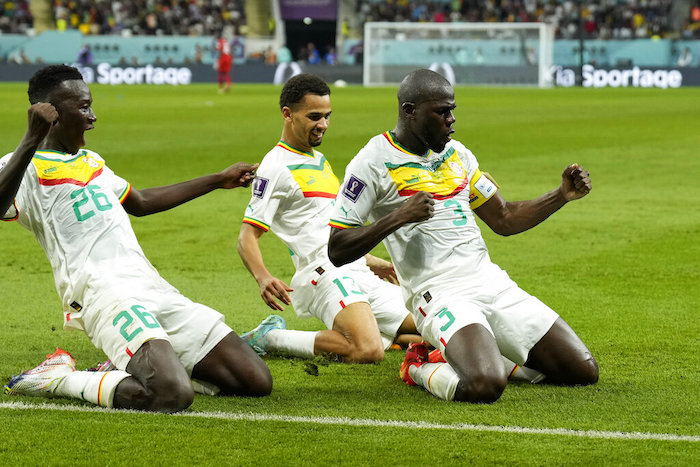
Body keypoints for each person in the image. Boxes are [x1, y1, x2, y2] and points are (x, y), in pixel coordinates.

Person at [1, 65, 271, 413]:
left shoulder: (92, 161)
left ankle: (129, 367)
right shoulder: (23, 166)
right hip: (102, 294)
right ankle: (58, 378)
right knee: (172, 395)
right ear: (50, 113)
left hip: (150, 285)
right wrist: (30, 138)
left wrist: (218, 179)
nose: (93, 117)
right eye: (83, 107)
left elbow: (140, 203)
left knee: (255, 380)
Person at [327, 68, 598, 403]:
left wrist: (561, 195)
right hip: (438, 294)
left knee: (583, 371)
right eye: (442, 111)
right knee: (485, 385)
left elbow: (504, 218)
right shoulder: (372, 162)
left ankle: (489, 353)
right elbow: (337, 248)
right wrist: (398, 217)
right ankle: (419, 364)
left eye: (452, 109)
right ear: (410, 111)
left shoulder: (458, 154)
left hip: (488, 282)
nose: (452, 119)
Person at [237, 73, 421, 363]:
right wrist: (263, 277)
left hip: (355, 269)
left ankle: (382, 334)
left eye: (327, 116)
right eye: (314, 116)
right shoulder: (275, 166)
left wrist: (371, 261)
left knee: (428, 323)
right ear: (288, 114)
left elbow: (322, 225)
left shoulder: (319, 161)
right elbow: (247, 235)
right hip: (324, 273)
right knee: (367, 351)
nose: (322, 124)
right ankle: (271, 337)